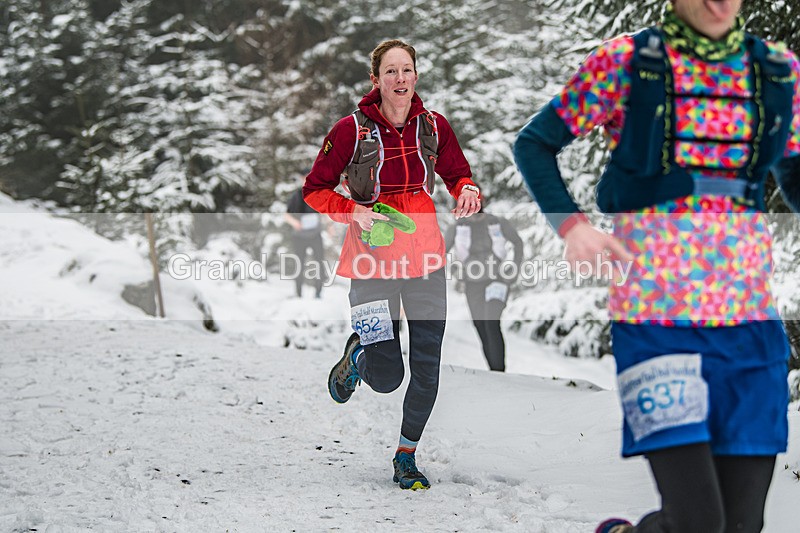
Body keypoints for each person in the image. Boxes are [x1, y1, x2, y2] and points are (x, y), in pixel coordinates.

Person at [513, 0, 800, 531]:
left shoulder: (777, 73)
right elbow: (535, 143)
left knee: (741, 525)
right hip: (657, 324)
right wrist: (572, 226)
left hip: (750, 331)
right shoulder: (628, 63)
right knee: (698, 522)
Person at [303, 39, 481, 490]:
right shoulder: (350, 130)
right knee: (387, 377)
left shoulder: (434, 126)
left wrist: (467, 190)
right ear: (375, 80)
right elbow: (314, 188)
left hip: (425, 257)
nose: (399, 79)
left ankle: (406, 455)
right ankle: (359, 354)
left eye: (406, 71)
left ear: (416, 75)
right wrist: (351, 211)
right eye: (390, 72)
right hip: (371, 259)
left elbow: (459, 173)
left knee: (427, 365)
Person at [445, 205, 523, 372]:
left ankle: (499, 372)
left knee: (491, 323)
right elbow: (441, 251)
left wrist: (514, 269)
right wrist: (454, 270)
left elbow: (518, 242)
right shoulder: (457, 228)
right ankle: (494, 372)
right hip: (472, 284)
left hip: (498, 280)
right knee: (480, 326)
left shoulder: (497, 222)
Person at [284, 187, 324, 298]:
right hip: (299, 236)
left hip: (315, 235)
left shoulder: (317, 193)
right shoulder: (297, 195)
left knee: (319, 262)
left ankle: (318, 292)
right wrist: (295, 223)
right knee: (299, 263)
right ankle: (298, 293)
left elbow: (324, 212)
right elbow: (287, 215)